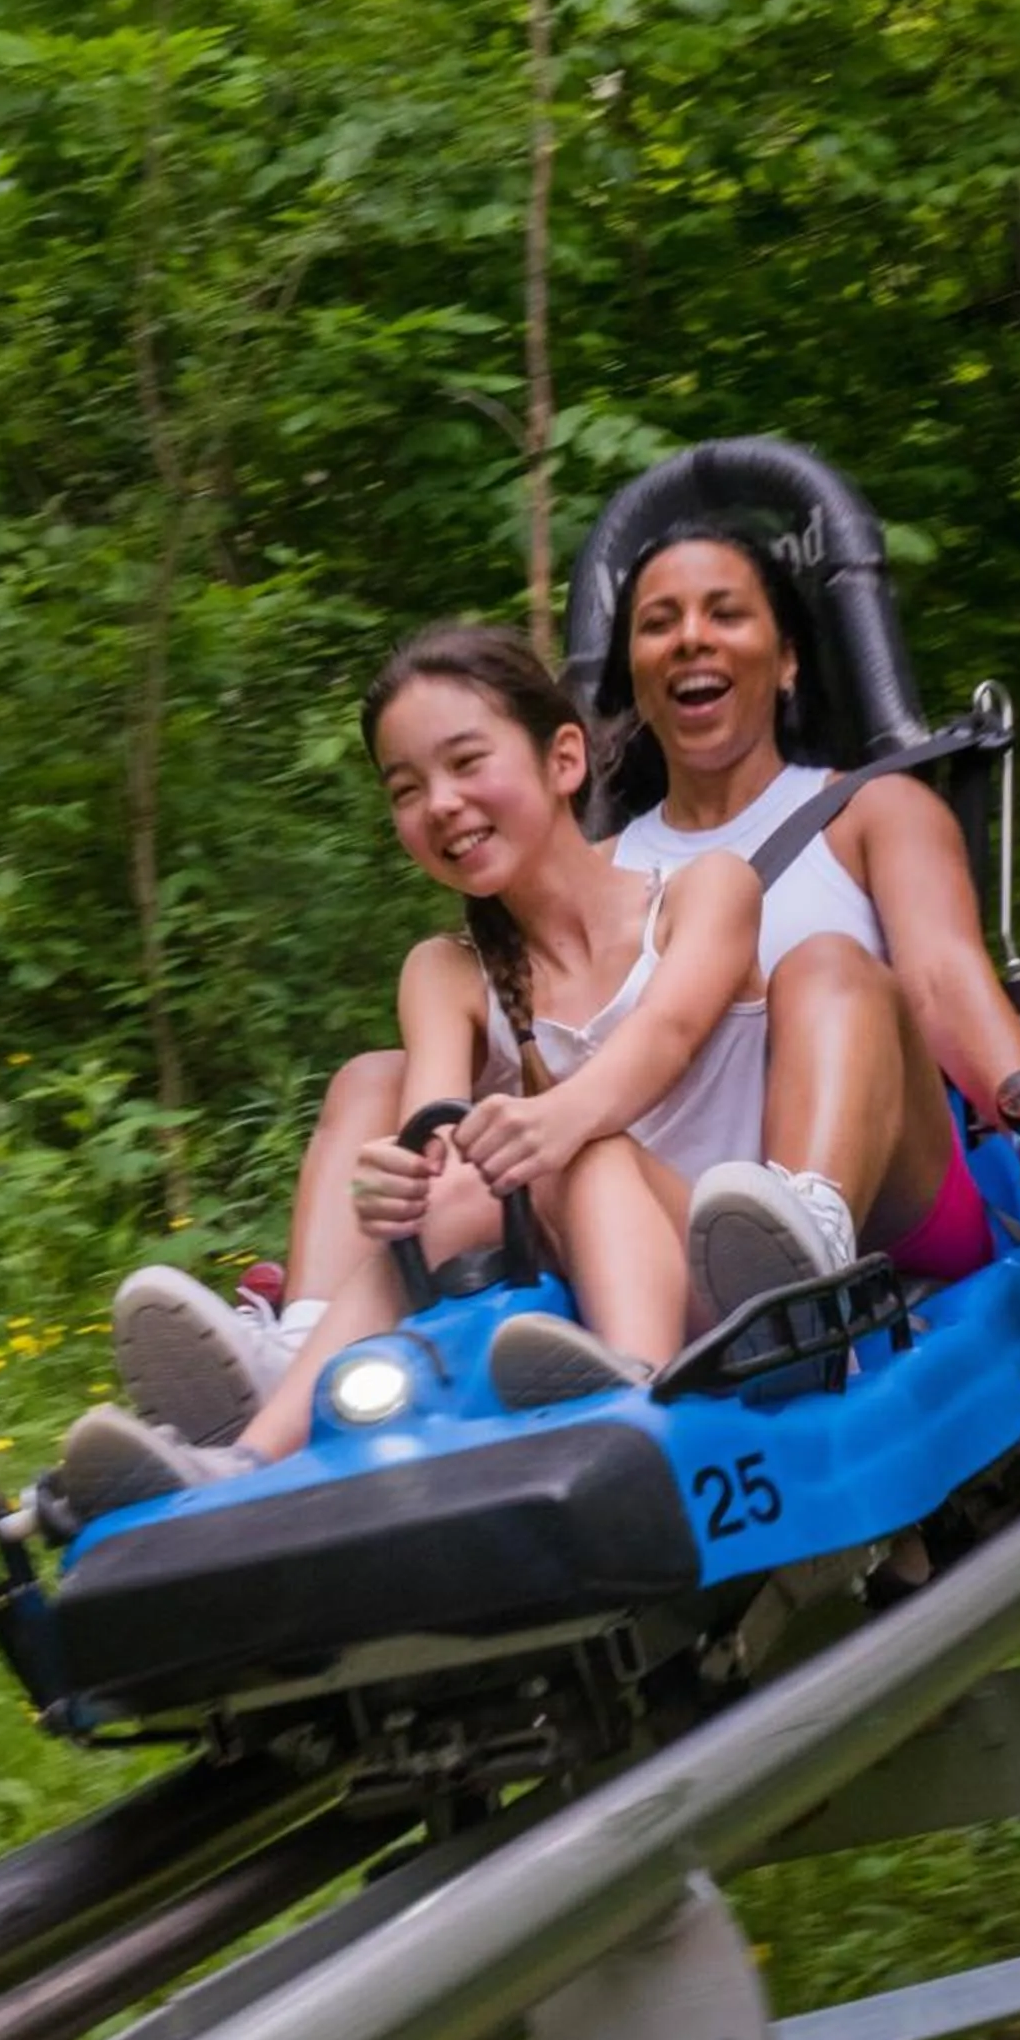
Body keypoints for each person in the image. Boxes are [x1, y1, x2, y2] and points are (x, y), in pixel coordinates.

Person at [110, 527, 1020, 1451]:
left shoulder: (858, 812)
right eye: (656, 624)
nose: (689, 640)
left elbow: (943, 979)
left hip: (880, 1164)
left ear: (785, 660)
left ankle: (794, 1251)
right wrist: (421, 1169)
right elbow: (464, 1089)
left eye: (724, 614)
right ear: (626, 685)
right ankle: (288, 1377)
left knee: (818, 965)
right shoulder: (584, 866)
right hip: (665, 1203)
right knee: (378, 1081)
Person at [58, 622, 767, 1520]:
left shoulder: (706, 888)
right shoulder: (444, 969)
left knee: (588, 1147)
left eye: (468, 763)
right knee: (455, 1188)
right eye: (408, 789)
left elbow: (664, 1033)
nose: (440, 803)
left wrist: (559, 1117)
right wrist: (400, 1181)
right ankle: (243, 1458)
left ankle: (638, 1406)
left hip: (726, 1282)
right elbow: (431, 1119)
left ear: (564, 760)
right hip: (560, 1301)